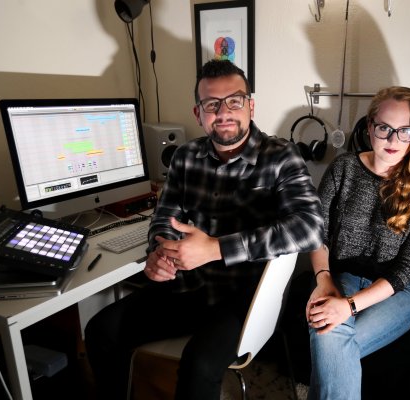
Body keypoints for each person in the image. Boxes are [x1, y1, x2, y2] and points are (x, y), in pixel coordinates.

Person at [84, 59, 324, 400]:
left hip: (246, 296)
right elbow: (164, 218)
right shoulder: (185, 157)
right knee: (100, 331)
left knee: (199, 364)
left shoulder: (281, 156)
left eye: (234, 101)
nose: (223, 112)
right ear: (199, 114)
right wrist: (158, 253)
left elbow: (310, 227)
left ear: (250, 106)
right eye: (212, 104)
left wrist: (216, 248)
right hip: (189, 286)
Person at [305, 86, 410, 400]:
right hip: (341, 277)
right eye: (384, 128)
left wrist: (349, 306)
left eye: (405, 131)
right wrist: (323, 280)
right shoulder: (343, 168)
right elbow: (316, 233)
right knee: (330, 337)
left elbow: (407, 269)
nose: (393, 140)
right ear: (370, 127)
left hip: (399, 290)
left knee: (329, 340)